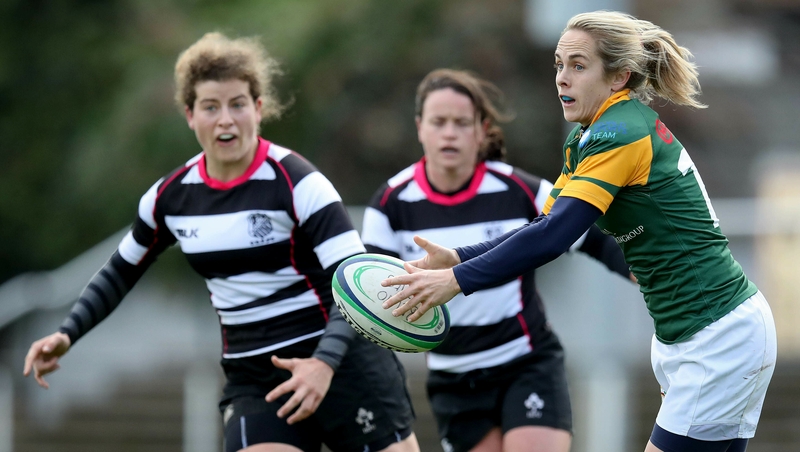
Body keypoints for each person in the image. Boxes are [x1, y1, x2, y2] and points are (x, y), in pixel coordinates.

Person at [380, 11, 777, 452]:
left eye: (578, 65)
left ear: (619, 77)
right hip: (693, 334)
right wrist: (458, 257)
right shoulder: (587, 138)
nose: (562, 79)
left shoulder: (620, 133)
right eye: (558, 64)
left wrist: (456, 281)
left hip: (715, 334)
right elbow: (541, 227)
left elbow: (555, 238)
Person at [23, 32, 420, 452]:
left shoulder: (298, 182)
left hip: (342, 362)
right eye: (211, 107)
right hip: (257, 377)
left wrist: (323, 364)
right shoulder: (170, 199)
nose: (225, 119)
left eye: (237, 104)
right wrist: (68, 333)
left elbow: (356, 284)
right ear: (190, 115)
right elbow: (121, 270)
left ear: (259, 109)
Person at [361, 68, 632, 452]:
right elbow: (376, 297)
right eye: (439, 122)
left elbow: (594, 239)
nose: (450, 133)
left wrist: (648, 274)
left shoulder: (521, 190)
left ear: (481, 129)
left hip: (526, 363)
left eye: (461, 122)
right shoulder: (390, 205)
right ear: (421, 127)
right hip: (453, 379)